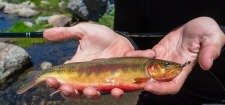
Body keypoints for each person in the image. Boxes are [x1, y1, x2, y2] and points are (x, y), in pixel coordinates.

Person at [43, 0, 225, 104]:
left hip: (216, 94)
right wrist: (125, 41)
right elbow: (130, 31)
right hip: (153, 95)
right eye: (166, 67)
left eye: (167, 67)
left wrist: (221, 32)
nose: (170, 67)